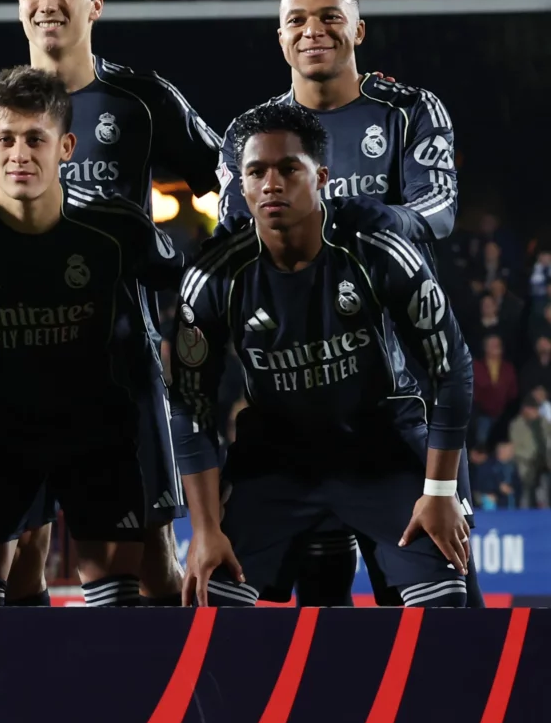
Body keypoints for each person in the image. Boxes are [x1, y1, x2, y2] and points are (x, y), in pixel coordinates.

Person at [0, 0, 220, 607]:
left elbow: (226, 179)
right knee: (17, 560)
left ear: (96, 4)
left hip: (117, 373)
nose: (49, 3)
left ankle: (158, 703)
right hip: (6, 375)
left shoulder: (141, 100)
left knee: (148, 566)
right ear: (19, 7)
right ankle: (29, 708)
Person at [218, 0, 463, 607]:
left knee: (432, 605)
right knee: (287, 615)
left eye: (330, 16)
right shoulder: (253, 134)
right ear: (280, 38)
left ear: (358, 28)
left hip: (392, 403)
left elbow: (440, 209)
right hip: (290, 408)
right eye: (297, 19)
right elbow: (235, 243)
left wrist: (379, 219)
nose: (314, 30)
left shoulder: (410, 110)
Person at [176, 103, 472, 607]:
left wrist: (440, 492)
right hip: (276, 460)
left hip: (382, 450)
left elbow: (452, 369)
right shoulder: (213, 277)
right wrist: (205, 530)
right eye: (256, 172)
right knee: (212, 596)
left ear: (322, 178)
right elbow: (190, 406)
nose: (272, 184)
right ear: (241, 189)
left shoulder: (380, 249)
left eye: (289, 169)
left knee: (443, 603)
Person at [0, 68, 184, 607]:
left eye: (36, 139)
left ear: (66, 147)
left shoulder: (115, 225)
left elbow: (195, 292)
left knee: (121, 602)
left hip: (97, 431)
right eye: (6, 139)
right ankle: (22, 691)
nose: (20, 154)